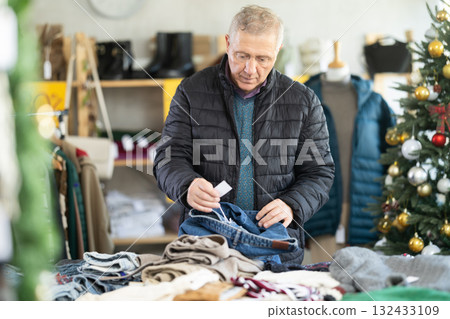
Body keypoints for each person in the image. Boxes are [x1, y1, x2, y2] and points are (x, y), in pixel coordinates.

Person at [153, 5, 335, 264]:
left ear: (277, 52)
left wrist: (292, 205)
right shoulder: (191, 91)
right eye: (241, 55)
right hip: (207, 241)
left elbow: (319, 172)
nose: (250, 69)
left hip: (276, 244)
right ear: (228, 44)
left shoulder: (303, 101)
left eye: (262, 59)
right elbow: (168, 158)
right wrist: (187, 185)